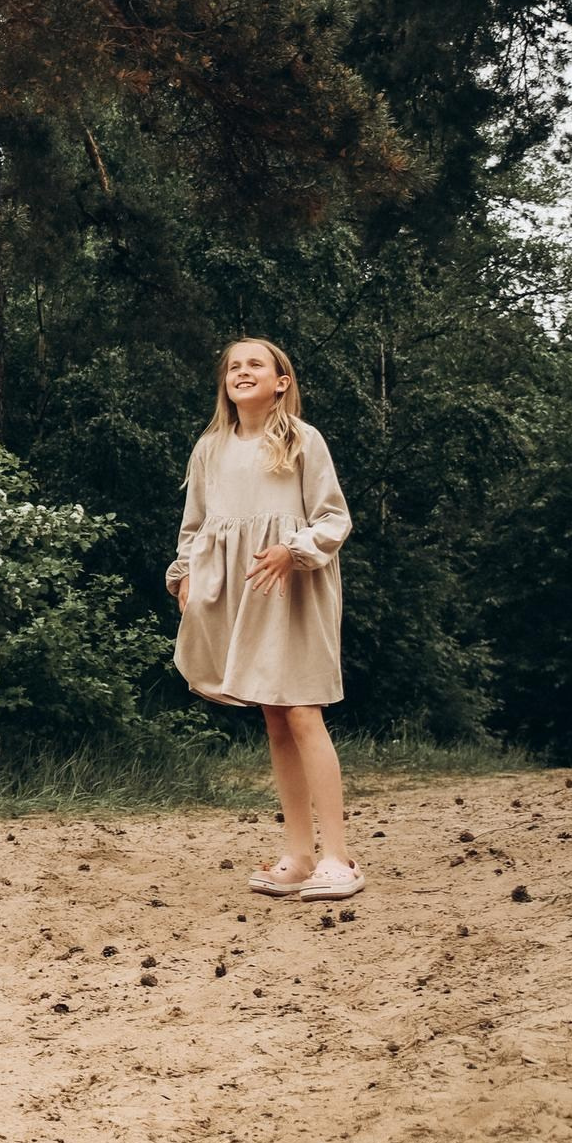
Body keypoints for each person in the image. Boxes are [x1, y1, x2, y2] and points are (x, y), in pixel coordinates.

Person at [168, 336, 362, 901]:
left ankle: (338, 858)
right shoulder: (210, 448)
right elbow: (195, 526)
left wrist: (293, 549)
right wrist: (184, 575)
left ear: (282, 382)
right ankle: (299, 856)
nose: (242, 371)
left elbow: (333, 517)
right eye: (234, 365)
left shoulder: (303, 440)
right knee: (274, 717)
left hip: (293, 586)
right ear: (225, 382)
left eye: (256, 364)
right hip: (240, 592)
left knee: (301, 710)